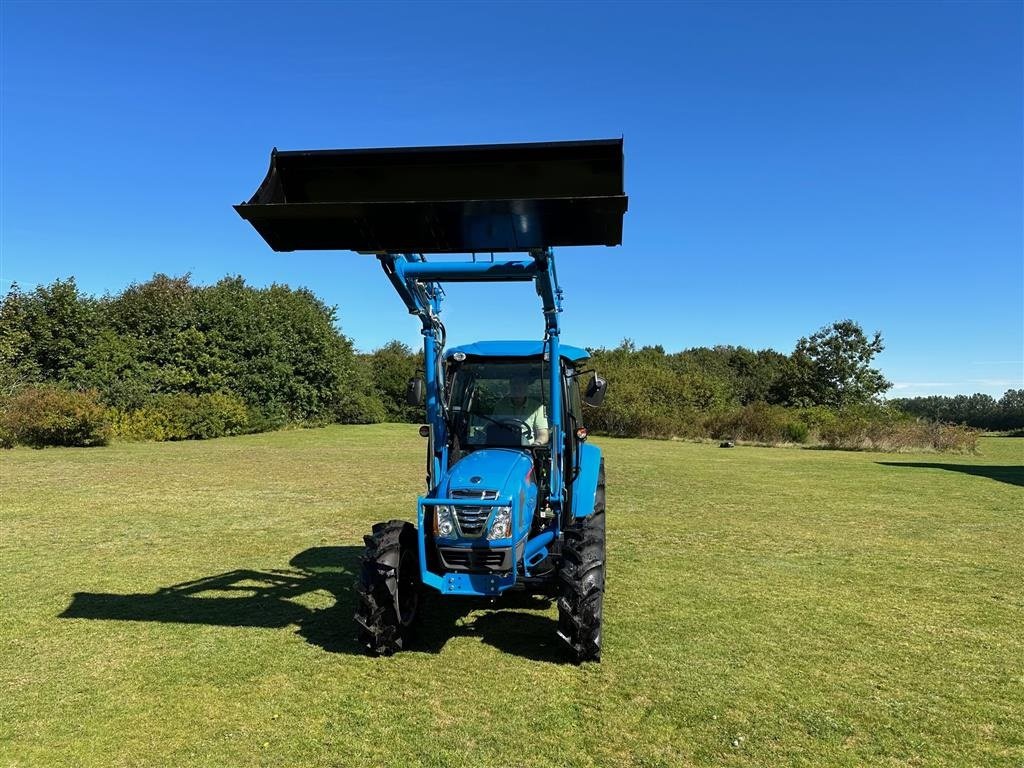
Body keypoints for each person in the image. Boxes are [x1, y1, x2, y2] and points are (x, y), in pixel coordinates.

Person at [490, 375, 549, 446]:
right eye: (514, 387)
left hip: (527, 449)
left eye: (520, 387)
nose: (517, 390)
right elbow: (491, 427)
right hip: (503, 446)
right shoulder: (501, 406)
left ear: (526, 388)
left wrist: (536, 444)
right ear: (510, 388)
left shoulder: (537, 407)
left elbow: (543, 434)